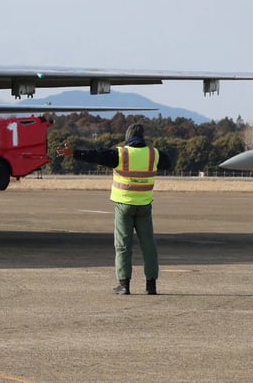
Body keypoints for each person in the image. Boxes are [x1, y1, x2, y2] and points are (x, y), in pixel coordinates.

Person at [55, 123, 172, 295]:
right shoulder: (153, 154)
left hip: (123, 205)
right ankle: (151, 285)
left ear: (128, 137)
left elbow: (96, 155)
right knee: (149, 246)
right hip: (144, 206)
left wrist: (74, 152)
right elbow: (168, 163)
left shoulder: (120, 153)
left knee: (123, 245)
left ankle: (124, 285)